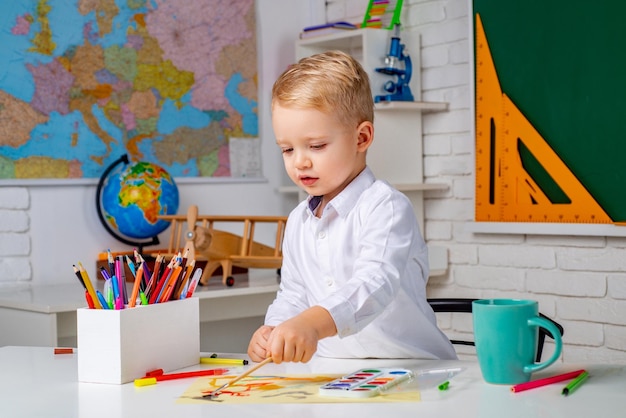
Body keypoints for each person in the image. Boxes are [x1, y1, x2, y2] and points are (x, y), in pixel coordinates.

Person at [247, 50, 457, 364]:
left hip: (412, 369)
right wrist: (274, 330)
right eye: (287, 149)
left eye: (316, 145)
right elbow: (293, 292)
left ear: (362, 137)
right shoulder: (297, 222)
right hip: (335, 371)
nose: (300, 161)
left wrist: (312, 324)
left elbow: (374, 284)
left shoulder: (385, 207)